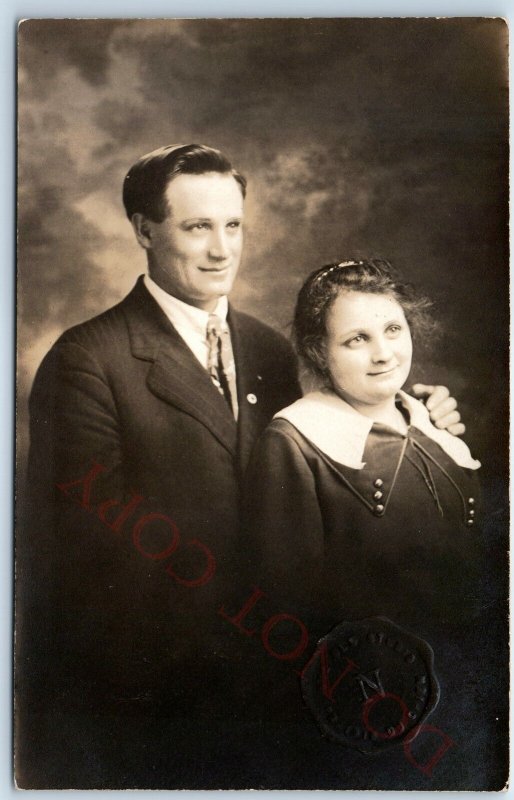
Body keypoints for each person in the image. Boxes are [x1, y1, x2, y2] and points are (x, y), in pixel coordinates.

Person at [17, 146, 463, 789]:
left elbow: (330, 436)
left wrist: (414, 411)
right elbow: (89, 560)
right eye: (197, 227)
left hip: (276, 686)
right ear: (144, 231)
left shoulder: (266, 347)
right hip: (154, 699)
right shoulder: (88, 359)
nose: (222, 249)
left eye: (233, 225)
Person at [240, 259, 488, 789]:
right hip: (372, 717)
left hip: (468, 698)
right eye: (356, 339)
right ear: (318, 353)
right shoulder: (295, 442)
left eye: (393, 329)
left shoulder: (431, 427)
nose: (383, 353)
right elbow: (287, 612)